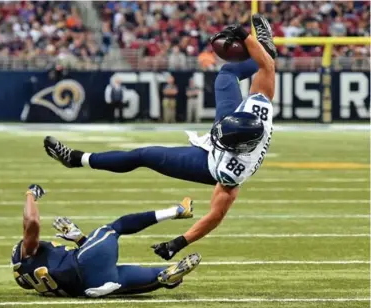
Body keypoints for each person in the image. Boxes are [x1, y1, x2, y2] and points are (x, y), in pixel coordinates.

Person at [43, 14, 276, 261]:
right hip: (233, 122)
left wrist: (179, 242)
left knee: (144, 155)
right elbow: (266, 67)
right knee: (230, 72)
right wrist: (246, 36)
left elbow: (215, 216)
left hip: (209, 162)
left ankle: (78, 159)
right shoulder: (258, 106)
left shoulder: (233, 171)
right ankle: (268, 49)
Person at [12, 184, 201, 297]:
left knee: (146, 277)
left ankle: (164, 278)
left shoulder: (40, 284)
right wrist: (30, 195)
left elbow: (70, 272)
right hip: (85, 264)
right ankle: (176, 211)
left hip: (90, 285)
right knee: (114, 227)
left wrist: (79, 238)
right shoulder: (28, 254)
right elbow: (32, 222)